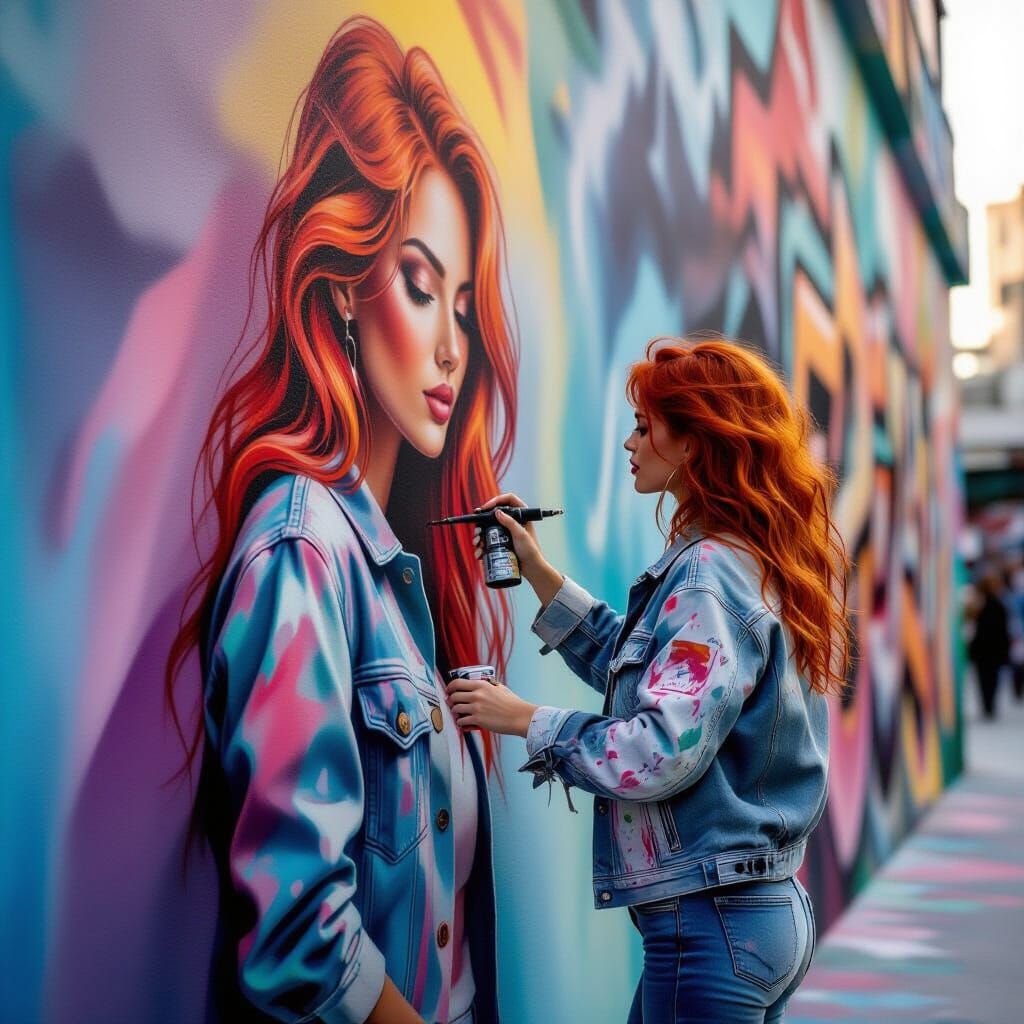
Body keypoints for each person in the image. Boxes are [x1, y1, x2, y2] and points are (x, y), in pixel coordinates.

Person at [164, 17, 517, 1024]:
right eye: (419, 284)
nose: (452, 344)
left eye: (462, 303)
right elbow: (300, 940)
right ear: (350, 288)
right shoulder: (302, 552)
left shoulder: (394, 571)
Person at [448, 339, 849, 1023]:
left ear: (695, 442)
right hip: (751, 915)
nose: (630, 443)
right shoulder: (745, 562)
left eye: (644, 425)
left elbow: (658, 749)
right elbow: (662, 682)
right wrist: (539, 572)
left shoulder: (708, 578)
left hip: (713, 927)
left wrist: (523, 719)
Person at [969, 571, 1010, 719]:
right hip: (991, 648)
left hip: (984, 648)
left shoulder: (982, 604)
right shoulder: (994, 604)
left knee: (985, 678)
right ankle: (989, 705)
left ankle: (988, 705)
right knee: (991, 678)